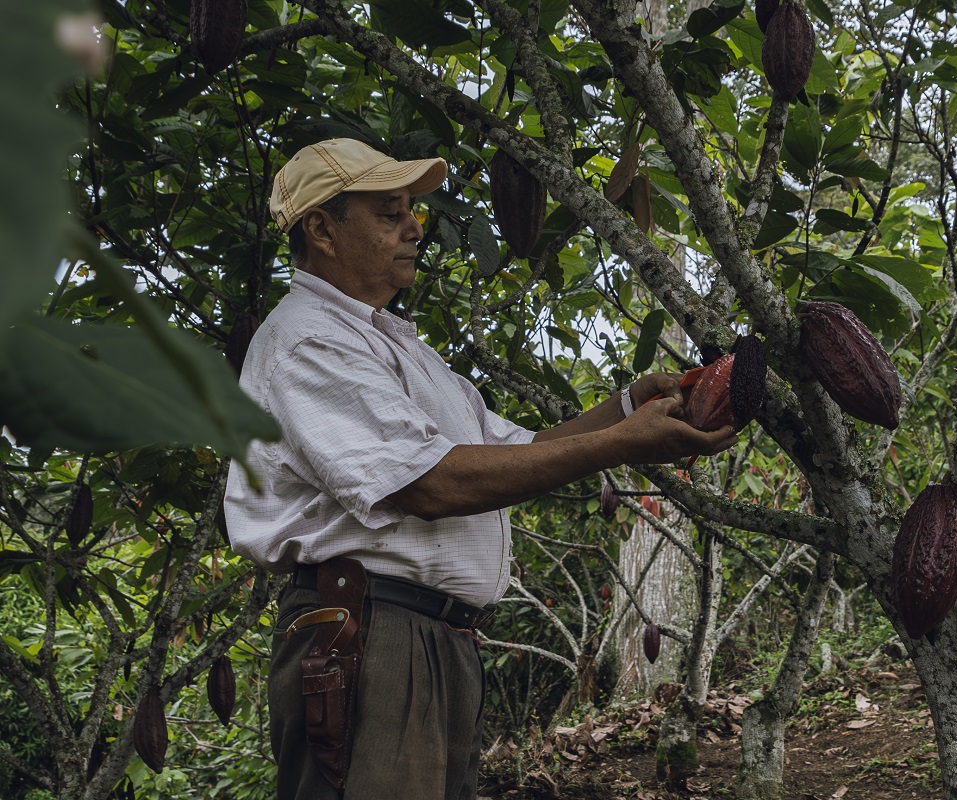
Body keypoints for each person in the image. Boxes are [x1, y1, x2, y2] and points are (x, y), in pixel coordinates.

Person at [223, 137, 737, 800]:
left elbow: (516, 453)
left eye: (412, 210)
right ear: (321, 228)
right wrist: (622, 444)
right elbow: (430, 485)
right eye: (389, 213)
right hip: (369, 635)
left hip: (435, 640)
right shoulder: (305, 338)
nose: (414, 227)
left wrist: (627, 407)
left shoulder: (402, 351)